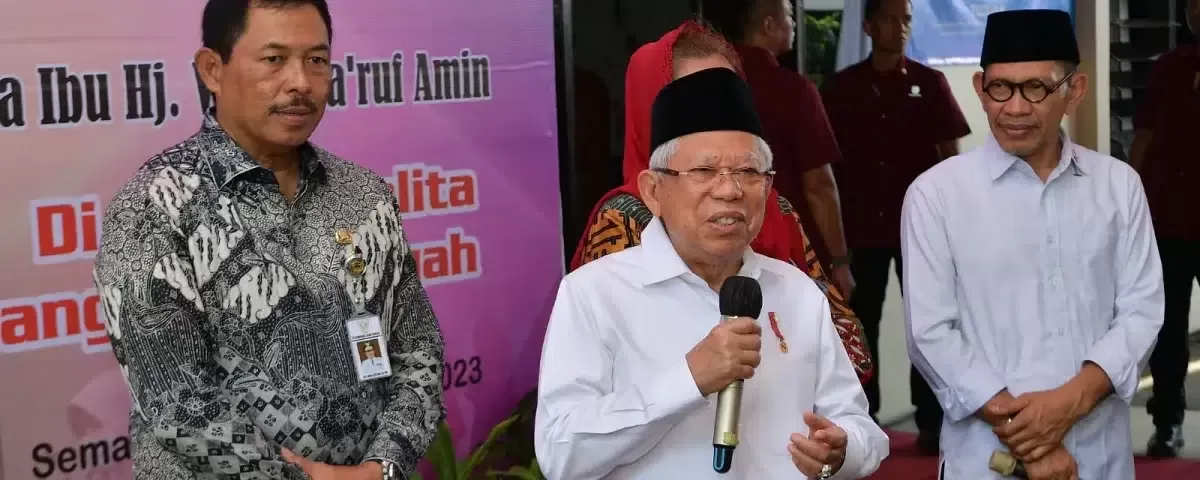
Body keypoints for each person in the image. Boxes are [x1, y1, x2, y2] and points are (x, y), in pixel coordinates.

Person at [92, 1, 446, 478]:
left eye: (317, 60)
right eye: (274, 59)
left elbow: (418, 349)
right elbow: (180, 406)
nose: (301, 82)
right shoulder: (155, 207)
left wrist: (381, 468)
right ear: (212, 70)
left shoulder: (365, 196)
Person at [537, 57, 888, 480]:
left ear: (769, 186)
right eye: (704, 171)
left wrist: (842, 451)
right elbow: (560, 453)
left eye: (747, 172)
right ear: (653, 191)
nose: (729, 190)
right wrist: (689, 378)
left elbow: (862, 429)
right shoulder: (594, 294)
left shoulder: (797, 291)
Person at [902, 9, 1164, 480]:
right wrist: (1032, 442)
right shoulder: (936, 195)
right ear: (981, 89)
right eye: (1000, 87)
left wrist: (1069, 403)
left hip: (1099, 457)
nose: (1015, 108)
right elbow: (932, 334)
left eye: (1036, 88)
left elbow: (1142, 312)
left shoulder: (1118, 187)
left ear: (1074, 91)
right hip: (984, 461)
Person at [574, 22, 873, 382]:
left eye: (724, 90)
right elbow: (600, 392)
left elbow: (850, 350)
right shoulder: (622, 221)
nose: (728, 191)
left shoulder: (773, 208)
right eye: (692, 95)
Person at [819, 0, 971, 450]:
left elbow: (951, 159)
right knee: (861, 324)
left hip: (920, 230)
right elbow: (826, 164)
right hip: (861, 227)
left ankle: (931, 420)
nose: (899, 28)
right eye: (889, 18)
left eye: (906, 19)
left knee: (926, 323)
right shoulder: (842, 87)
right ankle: (864, 415)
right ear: (868, 25)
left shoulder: (930, 83)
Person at [701, 0, 853, 293]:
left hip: (721, 241)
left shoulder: (705, 87)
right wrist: (840, 259)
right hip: (791, 250)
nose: (794, 24)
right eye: (789, 16)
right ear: (768, 26)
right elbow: (819, 185)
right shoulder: (795, 90)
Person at [1128, 0, 1200, 457]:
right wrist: (1128, 203)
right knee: (1169, 330)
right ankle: (1168, 422)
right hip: (1171, 221)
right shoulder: (1169, 67)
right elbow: (1145, 136)